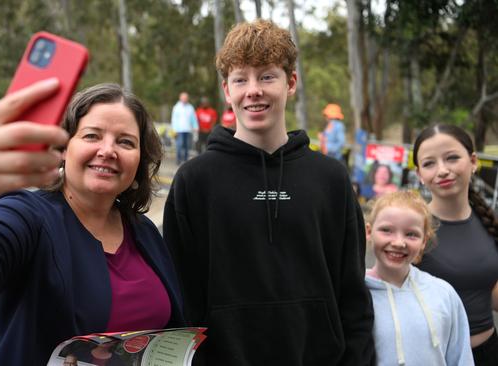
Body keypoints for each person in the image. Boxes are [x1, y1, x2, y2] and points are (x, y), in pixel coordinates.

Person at [0, 82, 184, 365]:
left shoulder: (144, 231)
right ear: (63, 147)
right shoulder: (26, 214)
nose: (108, 150)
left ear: (139, 159)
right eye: (92, 136)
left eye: (125, 141)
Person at [163, 19, 375, 365]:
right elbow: (182, 298)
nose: (253, 90)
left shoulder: (331, 179)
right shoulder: (195, 181)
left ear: (291, 83)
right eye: (240, 79)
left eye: (266, 76)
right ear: (226, 90)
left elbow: (353, 296)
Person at [413, 124, 498, 366]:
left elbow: (487, 293)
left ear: (473, 162)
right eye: (429, 163)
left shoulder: (488, 222)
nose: (443, 170)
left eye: (452, 158)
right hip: (432, 358)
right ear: (419, 174)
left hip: (488, 353)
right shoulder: (410, 230)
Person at [365, 190, 474, 365]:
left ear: (424, 241)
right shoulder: (355, 292)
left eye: (411, 234)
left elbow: (461, 357)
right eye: (387, 230)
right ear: (369, 232)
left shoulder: (443, 294)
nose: (399, 242)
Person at [170, 92, 198, 165]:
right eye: (183, 97)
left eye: (186, 98)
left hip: (188, 130)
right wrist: (174, 129)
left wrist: (195, 126)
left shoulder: (190, 107)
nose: (185, 99)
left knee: (186, 146)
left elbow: (193, 118)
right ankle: (178, 160)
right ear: (180, 98)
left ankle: (185, 160)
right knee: (179, 145)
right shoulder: (176, 107)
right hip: (179, 130)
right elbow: (174, 119)